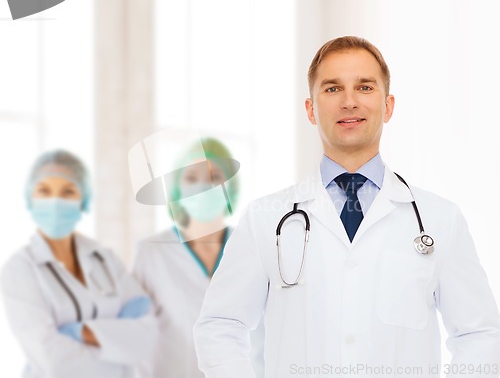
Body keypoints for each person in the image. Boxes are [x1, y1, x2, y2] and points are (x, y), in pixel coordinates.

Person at [193, 36, 500, 377]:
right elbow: (221, 325)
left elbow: (479, 333)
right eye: (332, 89)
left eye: (365, 87)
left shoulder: (440, 219)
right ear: (311, 109)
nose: (349, 102)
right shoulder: (265, 219)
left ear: (388, 106)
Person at [0, 149, 159, 378]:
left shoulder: (104, 258)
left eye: (68, 192)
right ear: (30, 199)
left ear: (83, 200)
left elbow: (146, 336)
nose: (55, 201)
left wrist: (79, 333)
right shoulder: (19, 270)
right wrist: (116, 346)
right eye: (44, 191)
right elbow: (53, 362)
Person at [133, 137, 263, 377]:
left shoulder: (253, 247)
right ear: (176, 189)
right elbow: (137, 341)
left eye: (214, 177)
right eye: (191, 178)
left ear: (230, 187)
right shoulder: (151, 253)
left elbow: (264, 336)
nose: (203, 186)